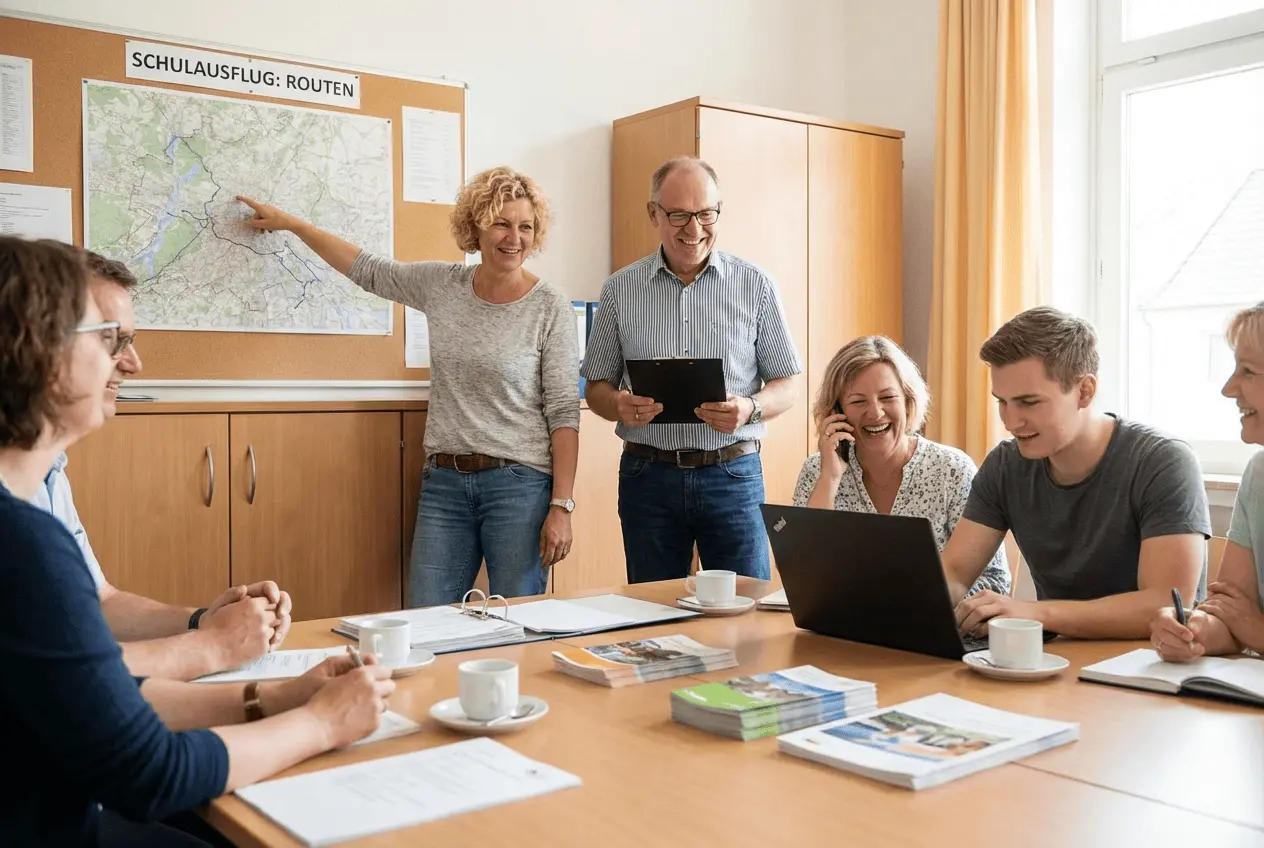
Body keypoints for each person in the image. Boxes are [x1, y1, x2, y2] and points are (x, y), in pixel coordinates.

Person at [0, 236, 394, 847]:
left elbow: (89, 687)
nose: (126, 363)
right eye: (106, 339)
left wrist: (276, 696)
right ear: (39, 353)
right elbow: (147, 772)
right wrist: (321, 722)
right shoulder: (21, 544)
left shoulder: (30, 516)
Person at [237, 166, 580, 606]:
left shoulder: (549, 305)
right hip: (445, 484)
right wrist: (297, 226)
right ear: (476, 225)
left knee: (518, 623)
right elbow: (368, 270)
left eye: (525, 227)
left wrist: (561, 506)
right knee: (427, 619)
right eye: (501, 223)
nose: (514, 238)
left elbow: (564, 414)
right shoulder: (443, 285)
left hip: (519, 487)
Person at [32, 251, 290, 681]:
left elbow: (96, 602)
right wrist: (212, 646)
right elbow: (49, 673)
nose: (134, 363)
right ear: (41, 344)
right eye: (112, 340)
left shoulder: (49, 471)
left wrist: (204, 620)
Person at [581, 156, 802, 583]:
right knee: (651, 611)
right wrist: (619, 405)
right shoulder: (619, 290)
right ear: (653, 214)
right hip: (648, 477)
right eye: (679, 215)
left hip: (732, 474)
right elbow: (596, 388)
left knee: (745, 612)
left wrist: (750, 408)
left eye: (706, 214)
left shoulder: (755, 284)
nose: (694, 229)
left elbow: (787, 384)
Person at [945, 306, 1211, 639]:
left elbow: (1166, 606)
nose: (1011, 421)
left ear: (1084, 391)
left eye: (1029, 402)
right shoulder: (1004, 465)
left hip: (1150, 664)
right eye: (1002, 402)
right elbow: (954, 574)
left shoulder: (1163, 461)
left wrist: (1033, 612)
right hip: (1056, 659)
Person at [792, 336, 1010, 596]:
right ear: (837, 411)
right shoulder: (817, 471)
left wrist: (908, 599)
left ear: (907, 401)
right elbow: (803, 576)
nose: (875, 413)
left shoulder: (951, 469)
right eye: (858, 402)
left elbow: (995, 582)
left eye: (887, 397)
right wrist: (830, 478)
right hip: (844, 631)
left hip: (939, 629)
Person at [1151, 302, 1264, 659]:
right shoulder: (1259, 476)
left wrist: (1259, 633)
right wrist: (1195, 631)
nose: (1229, 389)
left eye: (1247, 371)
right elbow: (1232, 614)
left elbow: (1250, 626)